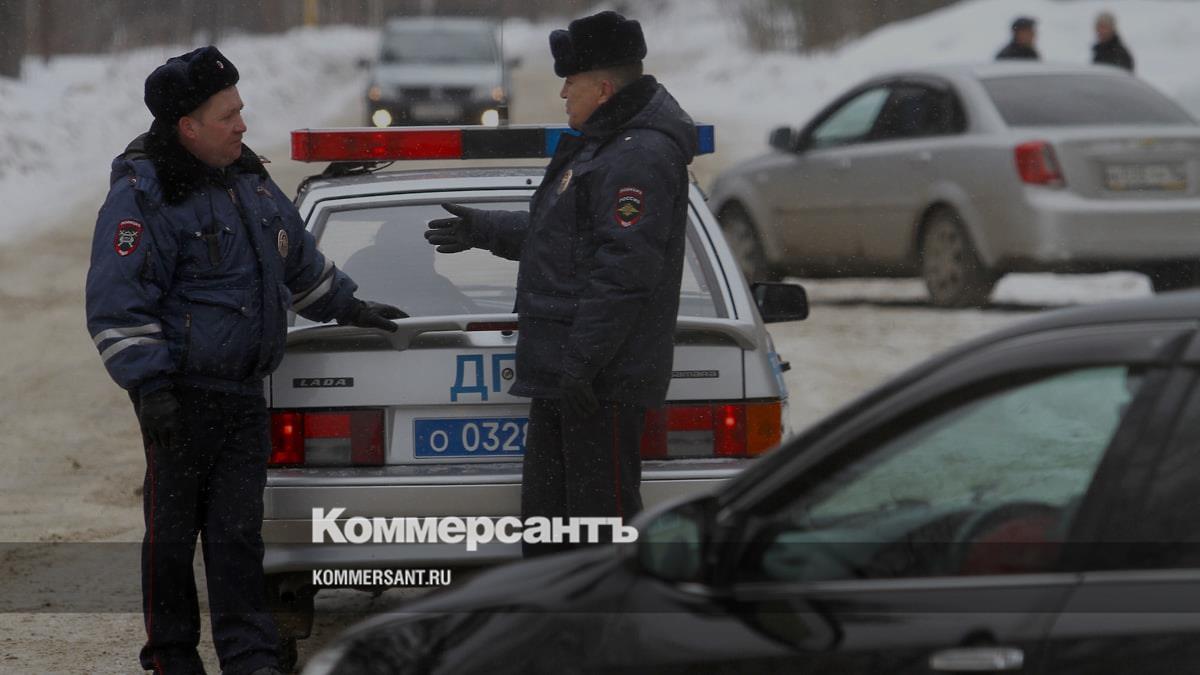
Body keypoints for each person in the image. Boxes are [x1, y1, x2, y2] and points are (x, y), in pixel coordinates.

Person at [84, 46, 405, 675]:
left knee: (237, 538)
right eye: (227, 115)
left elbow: (297, 264)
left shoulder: (250, 181)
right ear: (188, 126)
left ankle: (251, 657)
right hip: (180, 398)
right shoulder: (145, 195)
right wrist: (151, 388)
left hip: (243, 396)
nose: (242, 125)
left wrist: (350, 306)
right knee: (172, 540)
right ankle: (172, 656)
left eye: (241, 110)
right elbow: (117, 303)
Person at [424, 10, 697, 556]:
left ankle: (604, 614)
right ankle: (556, 610)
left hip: (599, 382)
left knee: (599, 532)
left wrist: (582, 363)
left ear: (603, 87)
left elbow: (624, 272)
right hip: (572, 374)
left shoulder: (637, 155)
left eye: (570, 81)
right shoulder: (607, 144)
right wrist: (486, 229)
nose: (563, 94)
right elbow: (568, 237)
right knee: (550, 528)